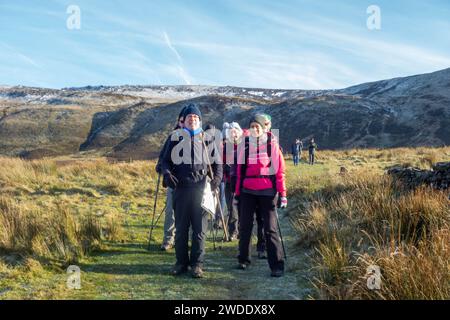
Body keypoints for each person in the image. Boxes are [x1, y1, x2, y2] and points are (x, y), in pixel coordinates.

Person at [161, 104, 223, 278]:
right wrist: (166, 173)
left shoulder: (208, 139)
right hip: (180, 189)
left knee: (199, 230)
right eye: (190, 118)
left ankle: (197, 265)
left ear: (200, 121)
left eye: (196, 118)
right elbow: (164, 161)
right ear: (184, 121)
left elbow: (218, 164)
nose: (192, 120)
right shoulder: (174, 138)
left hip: (201, 189)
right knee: (181, 229)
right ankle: (181, 263)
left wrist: (216, 180)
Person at [234, 114, 287, 277]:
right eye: (252, 127)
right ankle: (243, 259)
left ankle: (277, 265)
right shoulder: (245, 146)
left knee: (270, 229)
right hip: (247, 191)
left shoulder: (272, 146)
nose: (254, 129)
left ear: (263, 128)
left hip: (267, 192)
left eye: (257, 126)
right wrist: (237, 193)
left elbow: (279, 172)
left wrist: (283, 194)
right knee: (245, 226)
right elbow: (239, 172)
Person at [156, 107, 186, 251]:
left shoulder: (198, 136)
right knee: (170, 211)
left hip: (191, 181)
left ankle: (187, 239)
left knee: (191, 211)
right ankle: (168, 239)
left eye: (184, 120)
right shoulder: (172, 136)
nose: (182, 123)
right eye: (181, 120)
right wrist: (161, 168)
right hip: (173, 180)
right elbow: (163, 157)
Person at [222, 121, 243, 241]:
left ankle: (242, 229)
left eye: (235, 131)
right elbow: (222, 162)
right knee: (231, 207)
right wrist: (224, 169)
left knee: (241, 207)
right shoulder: (226, 147)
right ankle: (233, 231)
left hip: (241, 182)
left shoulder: (245, 145)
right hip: (229, 181)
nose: (233, 134)